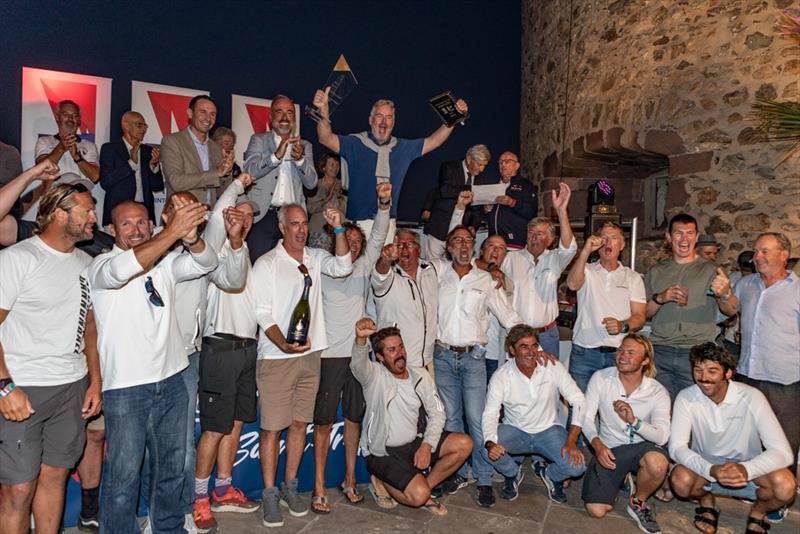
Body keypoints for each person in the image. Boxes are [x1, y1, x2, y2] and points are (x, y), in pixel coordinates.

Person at [86, 197, 217, 533]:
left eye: (142, 222)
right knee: (123, 475)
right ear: (111, 230)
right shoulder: (101, 265)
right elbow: (121, 271)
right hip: (126, 388)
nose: (135, 229)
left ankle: (167, 528)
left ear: (151, 225)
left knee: (171, 470)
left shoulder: (165, 264)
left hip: (173, 380)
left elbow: (206, 262)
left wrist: (191, 239)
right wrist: (172, 232)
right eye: (126, 224)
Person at [0, 183, 101, 534]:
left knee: (55, 475)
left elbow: (89, 326)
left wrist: (95, 381)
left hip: (72, 387)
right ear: (60, 214)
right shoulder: (17, 259)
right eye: (86, 211)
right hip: (22, 387)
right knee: (18, 489)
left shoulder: (86, 263)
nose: (94, 218)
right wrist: (3, 386)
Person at [249, 203, 352, 528]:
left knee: (298, 425)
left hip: (310, 356)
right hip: (276, 358)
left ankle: (290, 487)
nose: (301, 229)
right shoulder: (266, 264)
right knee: (271, 429)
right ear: (282, 228)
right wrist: (283, 343)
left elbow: (344, 266)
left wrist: (338, 229)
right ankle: (268, 494)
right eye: (294, 223)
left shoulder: (316, 258)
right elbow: (262, 313)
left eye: (304, 223)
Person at [311, 183, 391, 514]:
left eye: (358, 242)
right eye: (349, 241)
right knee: (324, 423)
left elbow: (379, 235)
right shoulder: (324, 266)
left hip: (359, 355)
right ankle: (318, 486)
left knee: (354, 419)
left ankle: (349, 480)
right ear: (337, 241)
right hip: (330, 356)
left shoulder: (363, 267)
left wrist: (384, 203)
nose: (355, 247)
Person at [431, 225, 524, 507]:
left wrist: (533, 344)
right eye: (456, 240)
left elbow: (508, 315)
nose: (462, 245)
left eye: (468, 241)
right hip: (443, 356)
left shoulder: (485, 280)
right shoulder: (436, 275)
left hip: (473, 358)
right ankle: (458, 473)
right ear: (448, 247)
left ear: (473, 247)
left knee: (478, 419)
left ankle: (483, 478)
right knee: (451, 419)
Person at [669, 342, 796, 534]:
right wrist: (710, 468)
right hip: (707, 463)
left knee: (786, 486)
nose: (704, 378)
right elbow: (677, 447)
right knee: (680, 481)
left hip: (747, 464)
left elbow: (783, 453)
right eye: (698, 370)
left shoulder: (751, 396)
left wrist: (746, 469)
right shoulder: (686, 397)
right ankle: (707, 502)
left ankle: (757, 512)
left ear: (728, 373)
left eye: (712, 371)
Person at [350, 318, 473, 516]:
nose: (399, 353)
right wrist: (360, 340)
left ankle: (424, 489)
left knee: (464, 443)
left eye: (400, 347)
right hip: (382, 452)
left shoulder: (420, 376)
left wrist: (427, 445)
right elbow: (358, 365)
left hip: (414, 443)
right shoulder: (374, 376)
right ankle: (386, 481)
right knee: (417, 497)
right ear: (380, 357)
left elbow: (437, 414)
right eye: (391, 350)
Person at [191, 193, 262, 533]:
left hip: (249, 349)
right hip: (220, 348)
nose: (245, 220)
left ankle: (222, 487)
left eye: (250, 216)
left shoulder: (250, 256)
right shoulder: (216, 254)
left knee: (235, 424)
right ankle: (200, 497)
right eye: (239, 213)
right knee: (214, 428)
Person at [313, 87, 467, 238]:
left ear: (393, 122)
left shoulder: (402, 147)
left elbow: (434, 141)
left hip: (388, 224)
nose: (384, 122)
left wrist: (453, 117)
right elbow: (325, 138)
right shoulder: (356, 143)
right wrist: (324, 111)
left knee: (385, 264)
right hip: (358, 225)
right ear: (370, 120)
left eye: (388, 117)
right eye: (379, 116)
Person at [482, 324, 586, 505]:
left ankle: (551, 475)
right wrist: (491, 443)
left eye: (534, 346)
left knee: (577, 467)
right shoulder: (501, 376)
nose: (531, 352)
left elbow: (579, 400)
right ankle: (513, 472)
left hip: (549, 431)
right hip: (515, 431)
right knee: (484, 448)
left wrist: (571, 440)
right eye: (524, 347)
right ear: (512, 350)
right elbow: (490, 413)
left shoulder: (552, 366)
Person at [581, 334, 670, 534]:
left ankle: (638, 502)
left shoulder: (657, 392)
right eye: (621, 350)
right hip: (610, 449)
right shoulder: (601, 378)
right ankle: (622, 478)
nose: (622, 356)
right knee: (596, 510)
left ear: (645, 360)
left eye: (631, 353)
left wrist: (634, 422)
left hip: (641, 449)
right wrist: (598, 446)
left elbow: (662, 436)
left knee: (657, 462)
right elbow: (586, 419)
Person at [644, 213, 738, 401]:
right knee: (662, 413)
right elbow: (643, 314)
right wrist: (661, 298)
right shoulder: (656, 271)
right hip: (660, 351)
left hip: (696, 354)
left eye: (689, 233)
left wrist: (724, 293)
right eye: (678, 233)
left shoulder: (710, 270)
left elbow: (731, 310)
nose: (684, 239)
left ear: (696, 237)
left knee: (697, 411)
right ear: (669, 238)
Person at [734, 233, 799, 464]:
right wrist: (722, 294)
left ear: (784, 255)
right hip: (748, 377)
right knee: (747, 439)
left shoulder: (797, 290)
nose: (757, 257)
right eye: (755, 252)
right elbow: (726, 312)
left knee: (783, 443)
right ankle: (750, 491)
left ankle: (780, 496)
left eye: (764, 251)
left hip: (785, 382)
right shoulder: (745, 285)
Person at [566, 222, 646, 393]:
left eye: (614, 238)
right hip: (584, 353)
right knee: (579, 409)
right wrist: (585, 251)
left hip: (618, 355)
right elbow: (572, 285)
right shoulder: (586, 270)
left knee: (613, 411)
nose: (608, 242)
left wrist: (622, 326)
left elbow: (639, 316)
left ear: (622, 245)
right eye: (604, 238)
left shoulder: (632, 277)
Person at [501, 182, 577, 357]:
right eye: (530, 233)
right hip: (518, 335)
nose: (533, 237)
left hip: (547, 336)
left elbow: (570, 248)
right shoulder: (510, 258)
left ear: (550, 239)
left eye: (539, 233)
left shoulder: (555, 259)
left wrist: (561, 212)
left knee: (549, 382)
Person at [243, 94, 317, 261]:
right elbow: (249, 171)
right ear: (271, 117)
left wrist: (300, 161)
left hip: (294, 219)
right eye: (279, 112)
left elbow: (312, 183)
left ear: (294, 118)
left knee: (293, 271)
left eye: (289, 113)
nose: (284, 117)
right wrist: (275, 157)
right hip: (263, 216)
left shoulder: (304, 146)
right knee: (259, 268)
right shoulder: (258, 140)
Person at [160, 95, 234, 205]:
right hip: (183, 215)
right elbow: (176, 181)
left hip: (210, 215)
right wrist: (216, 173)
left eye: (212, 114)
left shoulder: (216, 148)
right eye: (203, 112)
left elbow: (220, 191)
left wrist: (227, 172)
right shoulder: (172, 141)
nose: (208, 119)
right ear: (190, 113)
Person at [423, 144, 490, 259]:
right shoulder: (450, 167)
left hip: (461, 233)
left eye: (484, 166)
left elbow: (477, 209)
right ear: (469, 159)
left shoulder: (481, 179)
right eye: (479, 164)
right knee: (433, 265)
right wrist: (474, 191)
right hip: (439, 229)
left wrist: (473, 226)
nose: (482, 169)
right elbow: (446, 190)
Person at [99, 111, 163, 227]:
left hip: (145, 214)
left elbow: (158, 186)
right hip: (118, 215)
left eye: (145, 125)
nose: (143, 129)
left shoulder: (148, 151)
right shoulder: (110, 149)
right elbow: (106, 182)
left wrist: (154, 166)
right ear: (126, 125)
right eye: (139, 125)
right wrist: (131, 163)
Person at [483, 151, 538, 249]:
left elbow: (531, 212)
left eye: (507, 161)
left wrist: (511, 202)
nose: (503, 164)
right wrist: (486, 210)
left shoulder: (525, 185)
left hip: (514, 244)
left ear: (517, 166)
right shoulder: (493, 185)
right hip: (493, 242)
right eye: (500, 162)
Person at [306, 153, 346, 249]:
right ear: (323, 167)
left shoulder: (343, 186)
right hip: (317, 230)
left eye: (337, 165)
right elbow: (310, 208)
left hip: (336, 231)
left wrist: (340, 197)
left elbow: (345, 210)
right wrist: (325, 200)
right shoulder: (315, 184)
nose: (335, 168)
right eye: (332, 164)